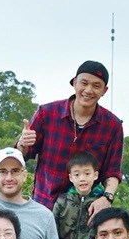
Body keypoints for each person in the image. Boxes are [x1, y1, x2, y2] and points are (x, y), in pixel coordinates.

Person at [16, 60, 123, 213]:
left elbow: (112, 171)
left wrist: (107, 197)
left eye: (96, 86)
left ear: (104, 90)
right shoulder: (47, 113)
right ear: (74, 83)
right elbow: (21, 156)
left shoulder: (113, 125)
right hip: (44, 207)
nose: (88, 90)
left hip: (85, 214)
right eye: (84, 83)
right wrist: (22, 145)